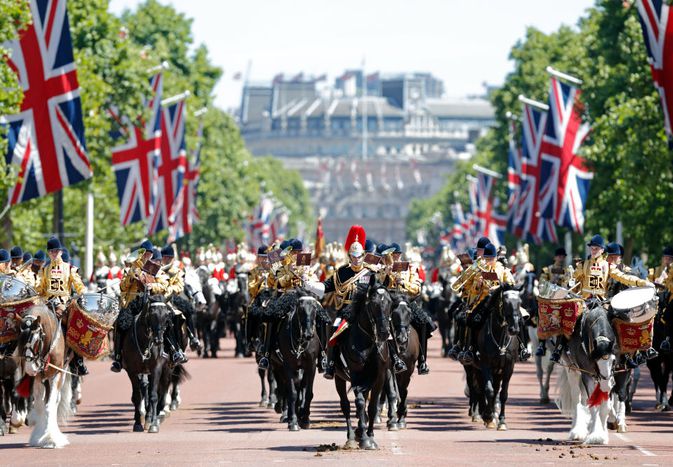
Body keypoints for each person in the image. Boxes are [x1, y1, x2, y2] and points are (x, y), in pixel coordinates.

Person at [550, 234, 653, 363]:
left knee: (620, 320)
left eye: (596, 249)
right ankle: (558, 349)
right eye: (592, 248)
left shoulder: (608, 266)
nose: (593, 251)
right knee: (569, 318)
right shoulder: (583, 265)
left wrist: (643, 283)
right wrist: (569, 280)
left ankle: (626, 354)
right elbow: (572, 278)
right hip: (585, 302)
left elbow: (623, 277)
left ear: (602, 250)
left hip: (602, 302)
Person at [322, 226, 406, 379]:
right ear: (349, 256)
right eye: (354, 256)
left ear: (363, 256)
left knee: (384, 327)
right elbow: (327, 287)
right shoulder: (342, 272)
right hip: (346, 310)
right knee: (334, 329)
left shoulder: (369, 271)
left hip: (366, 309)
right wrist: (311, 285)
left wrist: (389, 276)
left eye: (359, 256)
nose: (357, 259)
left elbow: (380, 285)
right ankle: (331, 364)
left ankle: (395, 358)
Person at [452, 243, 516, 364]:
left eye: (491, 259)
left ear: (496, 258)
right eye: (486, 259)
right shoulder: (479, 270)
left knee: (519, 317)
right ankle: (470, 348)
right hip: (483, 303)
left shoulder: (503, 270)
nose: (488, 261)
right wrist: (478, 284)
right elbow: (472, 290)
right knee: (470, 319)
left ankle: (522, 347)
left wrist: (499, 285)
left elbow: (511, 284)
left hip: (501, 302)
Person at [110, 240, 168, 373]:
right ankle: (118, 357)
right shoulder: (132, 267)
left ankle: (172, 351)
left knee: (166, 319)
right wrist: (131, 276)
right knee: (121, 322)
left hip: (151, 302)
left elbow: (164, 285)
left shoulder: (155, 268)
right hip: (134, 302)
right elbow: (122, 287)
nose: (146, 256)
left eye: (149, 254)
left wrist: (152, 285)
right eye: (144, 253)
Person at [34, 237, 88, 375]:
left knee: (75, 325)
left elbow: (79, 286)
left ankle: (78, 360)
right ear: (48, 253)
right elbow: (40, 288)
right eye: (51, 251)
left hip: (63, 305)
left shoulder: (69, 269)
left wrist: (83, 293)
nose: (53, 253)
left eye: (56, 251)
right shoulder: (44, 269)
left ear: (61, 252)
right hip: (46, 304)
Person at [379, 244, 435, 375]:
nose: (395, 257)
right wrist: (387, 274)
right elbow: (379, 286)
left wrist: (403, 283)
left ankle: (422, 360)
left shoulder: (410, 268)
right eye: (392, 255)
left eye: (397, 254)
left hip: (407, 301)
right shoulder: (383, 269)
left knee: (423, 321)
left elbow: (417, 288)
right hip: (390, 302)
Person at [536, 247, 573, 356]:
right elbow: (541, 283)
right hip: (550, 298)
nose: (561, 258)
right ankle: (541, 344)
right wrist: (550, 283)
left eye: (563, 257)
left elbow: (570, 283)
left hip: (563, 298)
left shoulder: (568, 270)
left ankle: (567, 344)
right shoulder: (547, 270)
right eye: (559, 256)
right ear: (555, 257)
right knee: (541, 311)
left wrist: (566, 282)